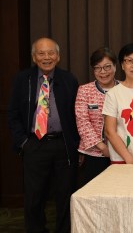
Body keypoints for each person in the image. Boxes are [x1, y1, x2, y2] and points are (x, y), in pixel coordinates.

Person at [7, 37, 79, 233]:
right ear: (33, 57)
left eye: (51, 53)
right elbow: (12, 113)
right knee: (34, 198)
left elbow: (77, 115)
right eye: (41, 53)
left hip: (63, 145)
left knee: (65, 196)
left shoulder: (69, 79)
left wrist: (75, 145)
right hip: (34, 144)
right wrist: (23, 142)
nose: (46, 57)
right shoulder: (23, 79)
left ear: (58, 56)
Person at [75, 47, 118, 186]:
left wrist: (115, 148)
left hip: (121, 152)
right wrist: (102, 147)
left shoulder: (124, 89)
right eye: (98, 68)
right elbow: (82, 121)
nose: (103, 72)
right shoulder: (84, 90)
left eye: (107, 67)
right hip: (93, 154)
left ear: (115, 67)